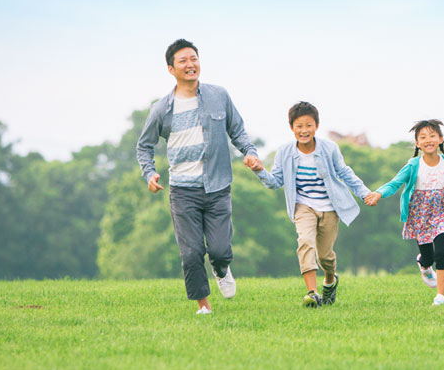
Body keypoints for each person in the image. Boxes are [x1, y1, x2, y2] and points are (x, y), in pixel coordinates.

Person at [136, 39, 262, 316]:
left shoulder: (219, 95)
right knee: (191, 253)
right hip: (182, 191)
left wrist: (250, 154)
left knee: (218, 249)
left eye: (193, 58)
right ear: (171, 69)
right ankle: (203, 305)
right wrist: (150, 172)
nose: (190, 64)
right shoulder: (161, 109)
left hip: (217, 186)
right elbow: (144, 146)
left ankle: (221, 268)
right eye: (183, 60)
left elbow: (237, 130)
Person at [253, 102, 373, 307]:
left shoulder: (329, 148)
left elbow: (344, 172)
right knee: (305, 242)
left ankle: (330, 281)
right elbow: (275, 181)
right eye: (299, 126)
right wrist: (259, 170)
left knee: (325, 256)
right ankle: (312, 293)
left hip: (329, 207)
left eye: (308, 125)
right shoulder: (284, 152)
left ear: (316, 126)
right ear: (291, 128)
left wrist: (365, 193)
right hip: (303, 206)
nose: (304, 130)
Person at [365, 120, 444, 306]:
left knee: (441, 252)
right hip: (420, 214)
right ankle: (424, 264)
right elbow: (395, 183)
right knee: (428, 256)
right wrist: (378, 193)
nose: (428, 140)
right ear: (417, 143)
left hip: (441, 212)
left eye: (432, 136)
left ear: (440, 139)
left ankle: (440, 296)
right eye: (423, 137)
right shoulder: (413, 165)